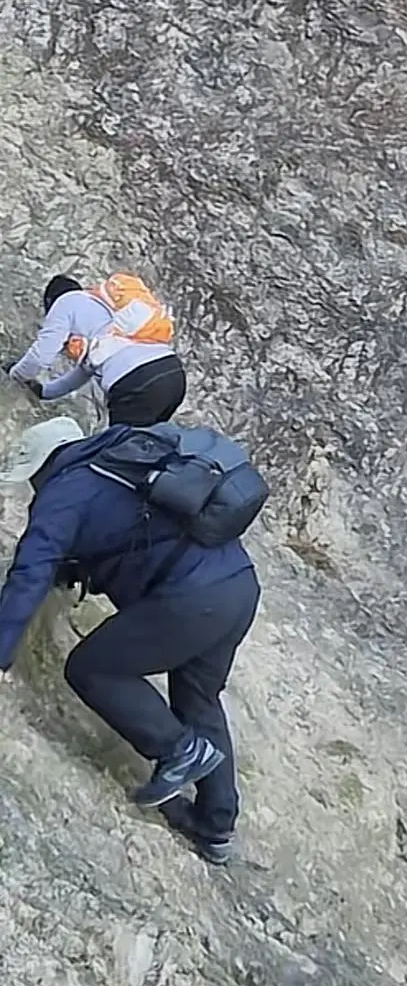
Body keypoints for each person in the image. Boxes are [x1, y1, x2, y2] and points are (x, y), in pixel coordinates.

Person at [0, 416, 260, 863]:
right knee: (198, 698)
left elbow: (29, 571)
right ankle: (215, 828)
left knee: (92, 667)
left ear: (44, 466)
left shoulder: (65, 490)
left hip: (192, 598)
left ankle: (178, 749)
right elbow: (125, 533)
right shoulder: (120, 463)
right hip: (238, 585)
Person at [8, 272, 187, 425]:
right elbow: (78, 376)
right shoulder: (108, 325)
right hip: (173, 375)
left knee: (118, 453)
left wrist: (15, 375)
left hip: (136, 383)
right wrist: (43, 392)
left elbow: (40, 356)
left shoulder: (66, 302)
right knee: (149, 446)